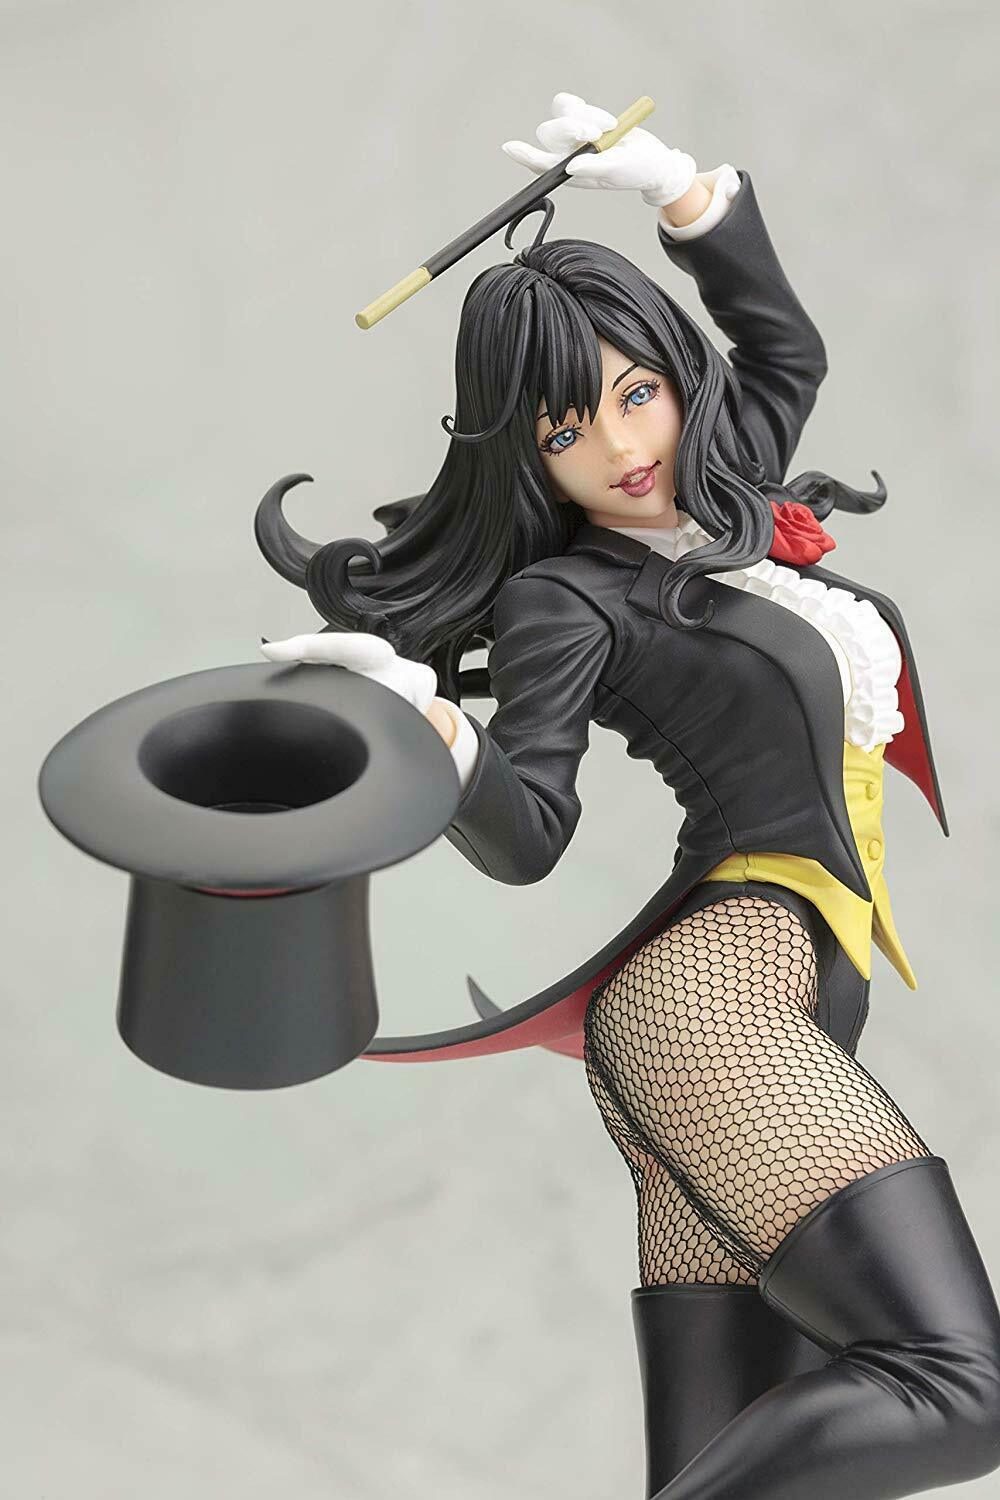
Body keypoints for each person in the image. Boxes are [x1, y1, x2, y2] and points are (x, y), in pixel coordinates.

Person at [255, 94, 1000, 1499]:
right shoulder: (565, 599)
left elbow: (784, 348)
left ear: (670, 375)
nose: (618, 444)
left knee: (720, 1458)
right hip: (710, 1004)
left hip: (773, 998)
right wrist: (433, 726)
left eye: (635, 393)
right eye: (566, 427)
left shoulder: (730, 486)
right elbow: (528, 834)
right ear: (524, 453)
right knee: (964, 1385)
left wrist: (679, 194)